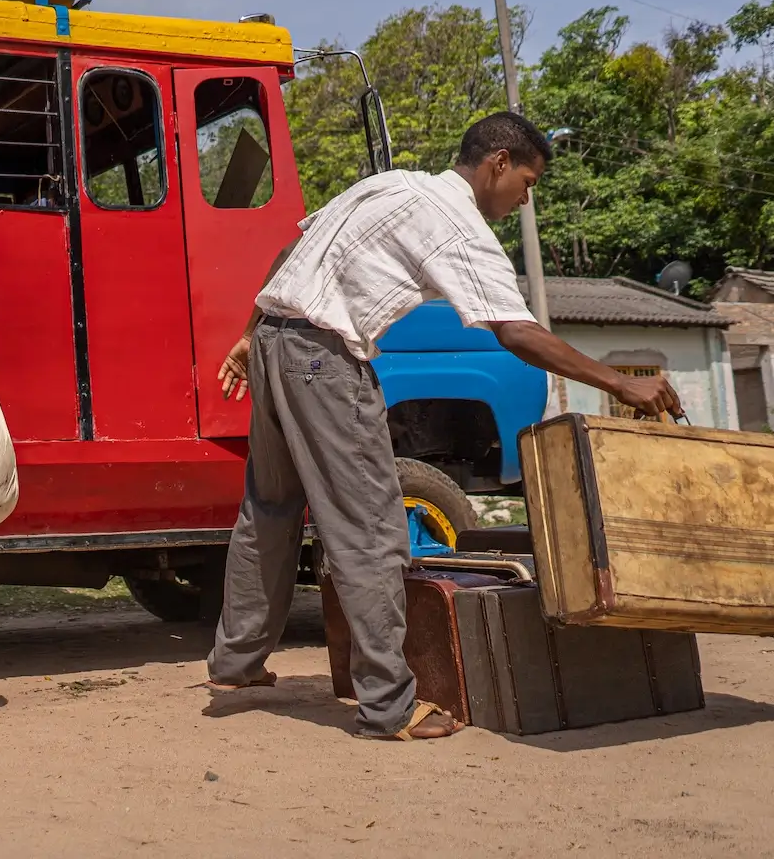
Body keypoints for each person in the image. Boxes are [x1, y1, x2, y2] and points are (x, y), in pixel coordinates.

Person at [202, 111, 684, 742]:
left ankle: (236, 663)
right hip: (323, 358)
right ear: (499, 164)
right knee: (370, 526)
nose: (526, 199)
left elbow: (291, 254)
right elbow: (515, 331)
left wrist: (249, 337)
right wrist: (620, 382)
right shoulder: (458, 224)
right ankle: (389, 706)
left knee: (269, 507)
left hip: (274, 340)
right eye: (528, 183)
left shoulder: (390, 184)